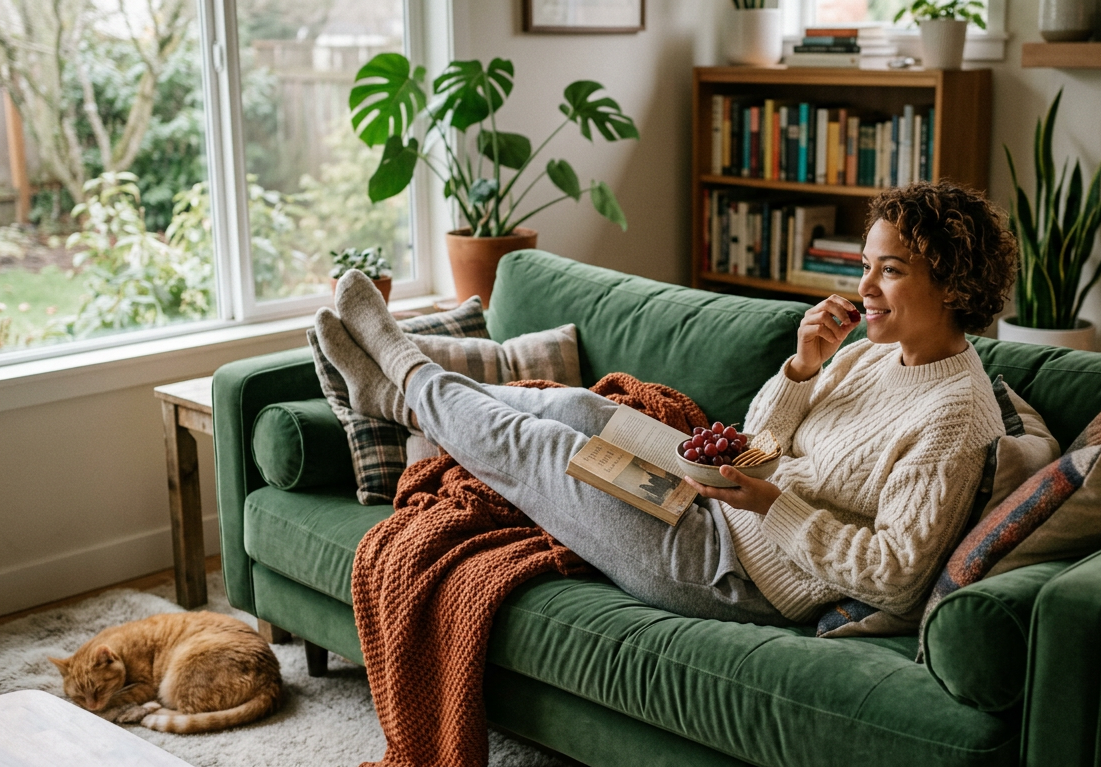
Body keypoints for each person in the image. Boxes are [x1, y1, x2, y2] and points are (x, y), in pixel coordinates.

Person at [313, 180, 1018, 627]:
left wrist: (770, 504)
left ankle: (403, 367)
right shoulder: (870, 352)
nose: (864, 288)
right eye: (864, 265)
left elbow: (896, 576)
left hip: (726, 567)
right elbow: (761, 446)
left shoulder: (955, 415)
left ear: (955, 285)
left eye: (889, 271)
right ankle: (397, 396)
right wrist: (803, 370)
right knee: (578, 411)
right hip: (716, 500)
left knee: (546, 450)